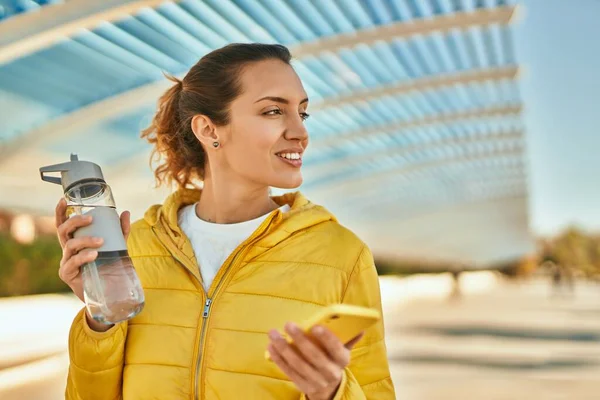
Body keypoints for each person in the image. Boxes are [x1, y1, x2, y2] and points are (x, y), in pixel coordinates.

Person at [55, 43, 395, 399]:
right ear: (208, 129)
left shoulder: (341, 255)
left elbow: (376, 391)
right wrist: (100, 315)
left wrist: (332, 392)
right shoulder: (135, 248)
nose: (300, 132)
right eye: (274, 111)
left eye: (303, 113)